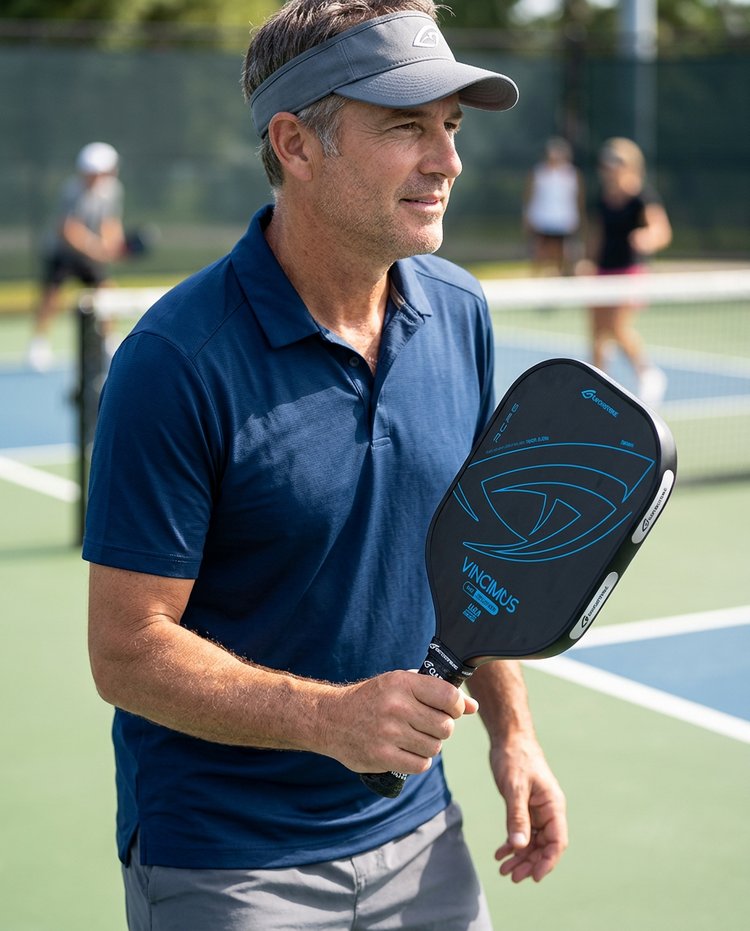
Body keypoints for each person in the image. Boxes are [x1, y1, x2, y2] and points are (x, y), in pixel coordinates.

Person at [84, 3, 568, 929]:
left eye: (451, 127)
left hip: (422, 835)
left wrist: (514, 730)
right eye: (404, 127)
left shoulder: (461, 312)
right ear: (296, 144)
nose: (447, 161)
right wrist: (330, 719)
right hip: (225, 860)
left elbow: (479, 550)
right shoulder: (176, 360)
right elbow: (126, 648)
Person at [583, 136, 673, 405]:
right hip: (603, 272)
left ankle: (648, 373)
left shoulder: (641, 197)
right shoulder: (602, 198)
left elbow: (662, 231)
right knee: (597, 330)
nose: (609, 169)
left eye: (616, 163)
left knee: (616, 326)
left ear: (630, 165)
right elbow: (597, 236)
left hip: (629, 273)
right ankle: (597, 384)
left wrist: (648, 236)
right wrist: (587, 262)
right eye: (606, 164)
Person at [27, 141, 125, 371]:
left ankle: (108, 341)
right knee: (52, 294)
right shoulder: (71, 190)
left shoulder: (113, 190)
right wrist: (94, 248)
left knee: (106, 290)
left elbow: (109, 223)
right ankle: (38, 342)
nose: (92, 176)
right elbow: (67, 229)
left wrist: (112, 245)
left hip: (89, 254)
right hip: (61, 252)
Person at [523, 136, 584, 277]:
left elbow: (578, 200)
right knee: (540, 255)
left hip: (565, 223)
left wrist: (580, 221)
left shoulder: (573, 174)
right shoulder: (537, 173)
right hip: (542, 221)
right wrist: (527, 218)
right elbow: (528, 198)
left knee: (564, 256)